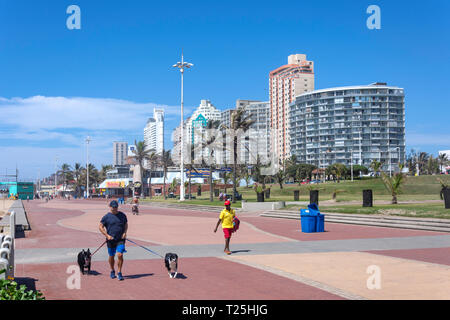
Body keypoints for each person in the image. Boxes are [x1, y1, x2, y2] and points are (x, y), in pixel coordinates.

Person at [99, 200, 128, 281]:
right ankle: (112, 270)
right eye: (113, 207)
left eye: (116, 207)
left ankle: (119, 272)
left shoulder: (122, 215)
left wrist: (125, 233)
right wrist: (107, 235)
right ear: (110, 207)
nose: (114, 209)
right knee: (111, 256)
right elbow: (100, 227)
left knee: (120, 255)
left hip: (120, 239)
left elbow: (126, 224)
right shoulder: (106, 217)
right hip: (110, 240)